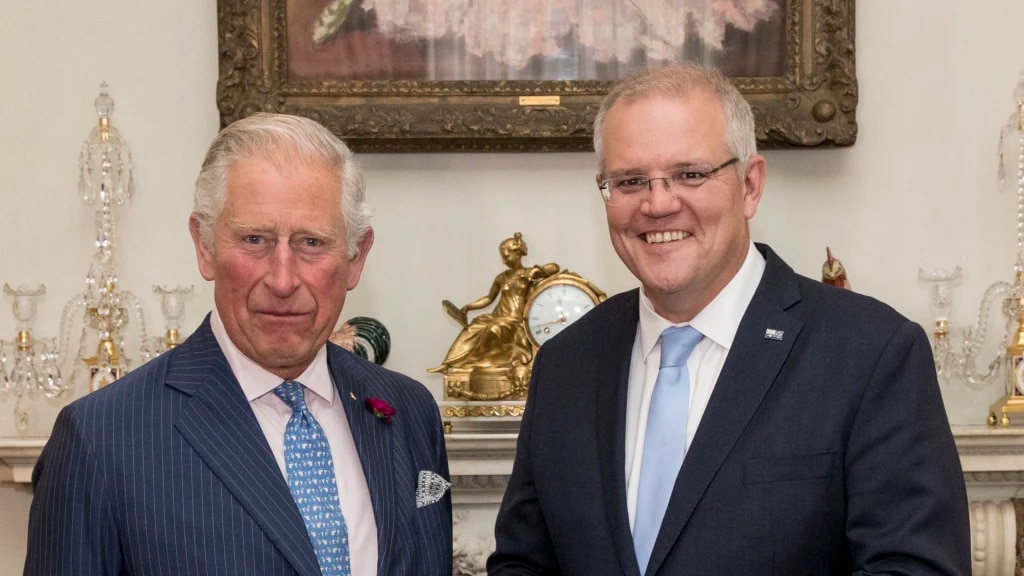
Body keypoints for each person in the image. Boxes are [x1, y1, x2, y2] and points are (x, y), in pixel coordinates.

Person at [488, 64, 970, 575]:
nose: (658, 204)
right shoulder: (566, 363)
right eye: (630, 181)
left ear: (750, 185)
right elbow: (524, 563)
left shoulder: (871, 353)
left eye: (690, 174)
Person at [26, 113, 452, 576]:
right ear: (204, 247)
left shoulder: (408, 410)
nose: (283, 279)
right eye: (255, 240)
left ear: (356, 257)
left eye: (312, 242)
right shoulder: (101, 439)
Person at [430, 232, 559, 374]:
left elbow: (555, 267)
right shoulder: (501, 277)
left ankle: (477, 364)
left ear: (517, 254)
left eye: (506, 256)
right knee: (473, 328)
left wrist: (536, 271)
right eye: (502, 257)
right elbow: (489, 298)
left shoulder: (529, 274)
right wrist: (469, 307)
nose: (504, 261)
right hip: (498, 316)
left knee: (494, 329)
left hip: (516, 321)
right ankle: (448, 364)